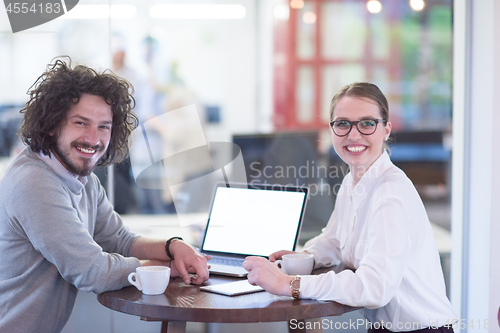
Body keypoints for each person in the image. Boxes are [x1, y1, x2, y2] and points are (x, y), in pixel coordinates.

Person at [0, 58, 210, 333]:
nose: (93, 139)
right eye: (80, 123)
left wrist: (173, 246)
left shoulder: (80, 176)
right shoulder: (34, 181)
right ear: (52, 125)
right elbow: (92, 272)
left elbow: (117, 239)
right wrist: (162, 267)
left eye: (104, 126)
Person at [243, 82, 456, 332]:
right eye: (343, 123)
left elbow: (375, 288)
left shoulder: (390, 193)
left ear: (386, 130)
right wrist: (303, 258)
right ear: (331, 130)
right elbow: (334, 240)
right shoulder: (353, 180)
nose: (354, 135)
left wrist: (291, 284)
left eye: (367, 123)